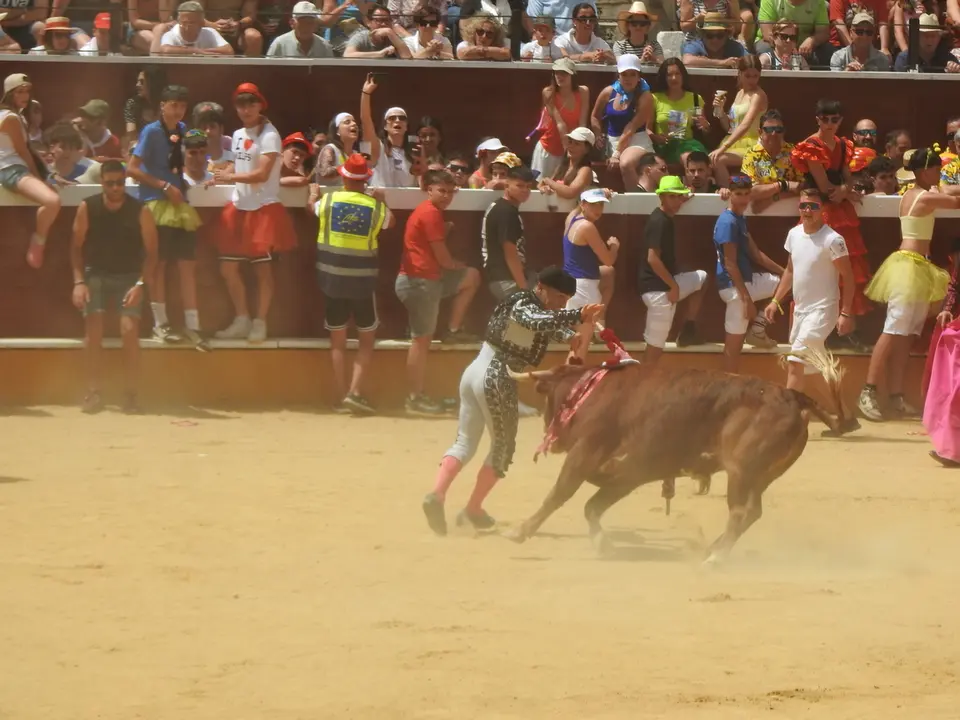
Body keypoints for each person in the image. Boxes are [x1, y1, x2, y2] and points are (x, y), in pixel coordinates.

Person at [421, 266, 603, 536]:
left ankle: (437, 495)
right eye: (560, 297)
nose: (562, 303)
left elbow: (539, 324)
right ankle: (473, 509)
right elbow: (536, 321)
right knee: (502, 448)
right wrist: (576, 314)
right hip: (496, 377)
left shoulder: (522, 303)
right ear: (541, 287)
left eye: (566, 300)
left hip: (474, 373)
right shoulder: (523, 303)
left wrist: (570, 336)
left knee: (465, 442)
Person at [858, 146, 960, 421]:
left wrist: (945, 187)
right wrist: (947, 188)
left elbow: (949, 192)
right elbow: (956, 200)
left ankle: (896, 396)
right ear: (925, 170)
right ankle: (867, 391)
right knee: (893, 330)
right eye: (936, 168)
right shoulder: (925, 197)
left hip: (918, 266)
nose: (939, 172)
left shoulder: (914, 193)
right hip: (909, 267)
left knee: (906, 333)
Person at [763, 188, 860, 436]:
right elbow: (790, 271)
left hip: (824, 310)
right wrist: (775, 300)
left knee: (795, 363)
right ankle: (846, 417)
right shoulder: (794, 235)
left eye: (813, 206)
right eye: (804, 206)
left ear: (822, 210)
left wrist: (846, 312)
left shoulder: (833, 239)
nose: (807, 211)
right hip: (801, 311)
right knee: (813, 369)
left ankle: (786, 423)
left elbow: (848, 277)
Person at [308, 153, 396, 415]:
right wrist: (382, 200)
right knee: (366, 340)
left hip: (331, 279)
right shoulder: (374, 207)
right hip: (361, 282)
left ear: (343, 176)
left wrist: (312, 194)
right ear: (366, 179)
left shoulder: (329, 199)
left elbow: (310, 209)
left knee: (337, 341)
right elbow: (390, 223)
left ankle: (340, 395)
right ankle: (354, 392)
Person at [70, 159, 158, 415]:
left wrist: (140, 284)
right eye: (111, 183)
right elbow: (75, 247)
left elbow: (152, 253)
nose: (117, 188)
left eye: (120, 183)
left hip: (129, 277)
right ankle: (93, 391)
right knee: (93, 330)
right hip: (95, 274)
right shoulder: (88, 207)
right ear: (102, 183)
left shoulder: (140, 210)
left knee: (129, 331)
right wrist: (78, 281)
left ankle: (131, 394)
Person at [212, 83, 296, 344]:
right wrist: (215, 174)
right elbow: (238, 167)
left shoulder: (270, 135)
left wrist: (228, 176)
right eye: (240, 103)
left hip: (263, 209)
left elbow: (261, 174)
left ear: (261, 105)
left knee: (262, 272)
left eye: (251, 103)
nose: (246, 108)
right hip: (238, 207)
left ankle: (260, 322)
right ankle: (242, 318)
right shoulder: (237, 134)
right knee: (227, 268)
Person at [127, 84, 206, 350]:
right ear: (162, 105)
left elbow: (193, 161)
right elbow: (132, 168)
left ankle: (193, 326)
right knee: (157, 265)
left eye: (182, 106)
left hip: (179, 206)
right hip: (155, 203)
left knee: (187, 266)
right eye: (173, 105)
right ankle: (160, 325)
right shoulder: (150, 131)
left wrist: (203, 166)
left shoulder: (185, 131)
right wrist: (162, 186)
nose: (178, 110)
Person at [395, 169, 480, 415]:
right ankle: (414, 398)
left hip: (423, 280)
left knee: (471, 277)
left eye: (450, 191)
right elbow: (443, 259)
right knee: (421, 341)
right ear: (428, 189)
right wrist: (455, 264)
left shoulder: (429, 212)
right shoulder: (431, 213)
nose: (446, 196)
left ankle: (453, 330)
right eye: (441, 190)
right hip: (421, 282)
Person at [791, 97, 871, 350]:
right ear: (818, 119)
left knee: (847, 268)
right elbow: (823, 185)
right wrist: (845, 191)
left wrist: (845, 190)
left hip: (839, 207)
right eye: (825, 119)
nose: (829, 124)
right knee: (821, 270)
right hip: (819, 206)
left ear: (840, 120)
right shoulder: (811, 145)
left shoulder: (843, 145)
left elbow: (845, 178)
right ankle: (824, 332)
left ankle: (845, 328)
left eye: (834, 120)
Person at [714, 174, 784, 371]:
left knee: (787, 285)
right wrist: (746, 299)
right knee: (733, 347)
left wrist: (786, 273)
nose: (743, 199)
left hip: (744, 282)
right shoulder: (728, 222)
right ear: (730, 194)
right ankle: (728, 391)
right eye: (738, 194)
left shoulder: (739, 218)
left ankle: (758, 329)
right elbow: (730, 264)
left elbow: (756, 254)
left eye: (746, 194)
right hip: (734, 287)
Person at [639, 175, 706, 364]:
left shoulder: (662, 216)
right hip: (659, 291)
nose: (677, 201)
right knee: (655, 348)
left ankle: (689, 329)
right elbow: (653, 259)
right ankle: (642, 389)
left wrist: (684, 196)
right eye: (672, 197)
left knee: (702, 278)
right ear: (662, 197)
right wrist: (673, 286)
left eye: (679, 197)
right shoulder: (660, 222)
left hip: (657, 287)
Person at [0, 74, 62, 270]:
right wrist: (38, 177)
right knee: (52, 201)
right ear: (10, 94)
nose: (25, 95)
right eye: (20, 91)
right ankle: (39, 241)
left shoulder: (15, 116)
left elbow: (30, 151)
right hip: (11, 169)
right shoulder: (10, 117)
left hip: (13, 167)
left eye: (27, 91)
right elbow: (23, 151)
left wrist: (50, 174)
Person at [562, 187, 619, 361]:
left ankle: (567, 381)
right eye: (594, 204)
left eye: (601, 204)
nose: (598, 209)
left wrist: (599, 191)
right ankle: (571, 384)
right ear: (583, 204)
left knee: (577, 344)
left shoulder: (571, 219)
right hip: (584, 290)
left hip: (571, 286)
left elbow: (607, 269)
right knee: (581, 346)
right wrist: (614, 246)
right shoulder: (587, 226)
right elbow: (608, 259)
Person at [590, 54, 654, 190]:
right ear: (618, 75)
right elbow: (595, 116)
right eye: (624, 74)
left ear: (639, 76)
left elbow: (631, 127)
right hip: (613, 142)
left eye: (632, 74)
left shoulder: (646, 96)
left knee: (626, 163)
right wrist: (597, 135)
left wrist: (616, 154)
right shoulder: (608, 92)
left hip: (637, 140)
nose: (628, 78)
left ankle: (636, 202)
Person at [482, 163, 539, 301]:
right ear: (507, 186)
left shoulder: (502, 207)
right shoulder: (506, 212)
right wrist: (524, 288)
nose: (525, 190)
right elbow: (510, 253)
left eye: (528, 187)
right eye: (519, 186)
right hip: (506, 279)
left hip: (502, 277)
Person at [530, 57, 589, 182]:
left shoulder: (583, 91)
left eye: (564, 73)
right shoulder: (548, 92)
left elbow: (582, 124)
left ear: (573, 74)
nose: (559, 76)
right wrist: (568, 153)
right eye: (557, 73)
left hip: (571, 149)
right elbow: (560, 124)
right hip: (548, 148)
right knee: (540, 187)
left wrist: (578, 151)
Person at [710, 54, 766, 183]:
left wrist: (723, 148)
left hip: (753, 144)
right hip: (734, 142)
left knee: (718, 159)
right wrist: (721, 110)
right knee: (711, 158)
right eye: (747, 76)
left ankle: (728, 195)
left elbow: (745, 125)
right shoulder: (739, 93)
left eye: (755, 76)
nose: (752, 80)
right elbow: (730, 128)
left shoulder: (758, 95)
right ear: (739, 73)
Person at [649, 57, 709, 168]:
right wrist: (655, 137)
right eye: (669, 75)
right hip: (664, 147)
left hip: (688, 144)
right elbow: (646, 129)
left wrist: (705, 125)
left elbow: (704, 129)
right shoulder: (655, 98)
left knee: (693, 158)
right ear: (664, 78)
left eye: (677, 74)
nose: (674, 78)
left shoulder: (695, 99)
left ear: (683, 76)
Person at [740, 108, 801, 213]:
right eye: (768, 130)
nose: (774, 134)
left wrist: (773, 198)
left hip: (791, 215)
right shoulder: (751, 155)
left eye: (778, 130)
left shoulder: (794, 153)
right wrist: (783, 185)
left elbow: (803, 187)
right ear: (760, 132)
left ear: (783, 132)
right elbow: (749, 191)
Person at [266, 0, 334, 57]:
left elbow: (331, 71)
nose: (306, 26)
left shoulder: (325, 46)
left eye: (310, 22)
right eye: (302, 22)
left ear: (316, 24)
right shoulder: (280, 43)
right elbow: (268, 69)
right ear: (292, 23)